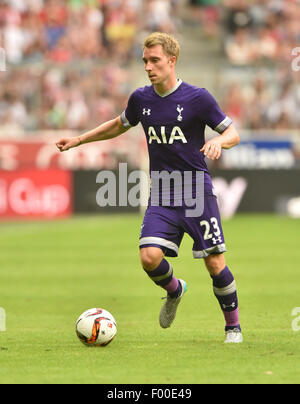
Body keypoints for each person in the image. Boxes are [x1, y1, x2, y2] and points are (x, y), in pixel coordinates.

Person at [56, 32, 242, 344]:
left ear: (172, 61)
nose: (148, 67)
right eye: (145, 61)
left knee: (214, 262)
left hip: (196, 192)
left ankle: (232, 328)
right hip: (163, 193)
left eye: (154, 60)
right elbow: (118, 124)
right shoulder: (141, 99)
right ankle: (175, 290)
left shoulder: (198, 99)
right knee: (149, 257)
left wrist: (218, 141)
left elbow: (233, 133)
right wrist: (78, 139)